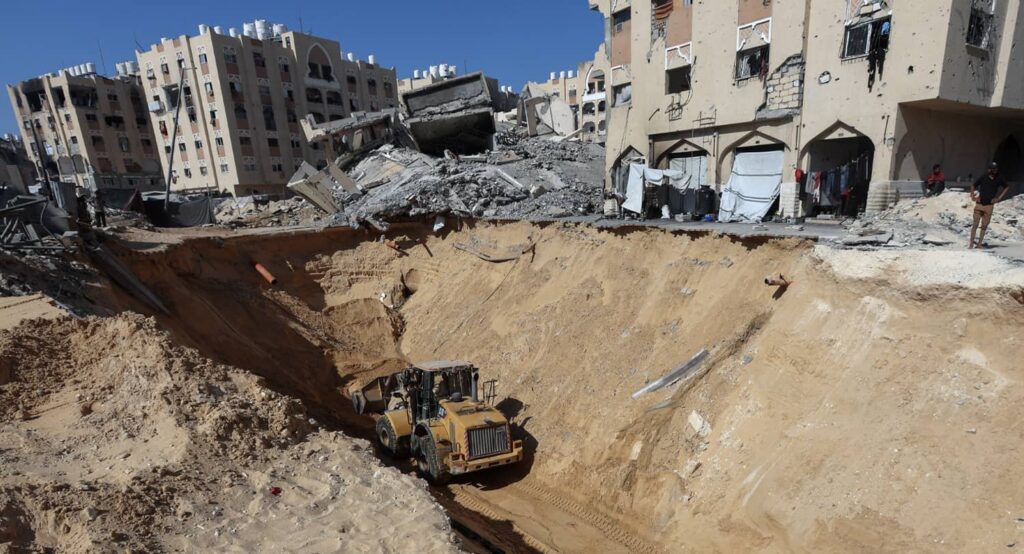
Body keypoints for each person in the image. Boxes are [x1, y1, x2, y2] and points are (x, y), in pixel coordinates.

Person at [969, 162, 1010, 249]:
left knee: (984, 225)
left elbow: (1006, 187)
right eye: (993, 169)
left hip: (989, 205)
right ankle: (971, 243)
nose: (995, 170)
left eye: (996, 168)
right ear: (989, 169)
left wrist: (999, 198)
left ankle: (979, 244)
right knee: (975, 224)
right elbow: (973, 185)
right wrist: (973, 196)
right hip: (979, 204)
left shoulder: (999, 178)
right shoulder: (984, 177)